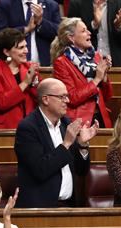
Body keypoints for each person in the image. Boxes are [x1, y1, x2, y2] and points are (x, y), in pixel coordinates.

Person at [14, 78, 98, 208]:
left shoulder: (65, 123)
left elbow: (82, 170)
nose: (67, 101)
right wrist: (66, 144)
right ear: (46, 99)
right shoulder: (28, 128)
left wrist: (82, 144)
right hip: (40, 209)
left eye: (67, 96)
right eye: (62, 97)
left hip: (69, 206)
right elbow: (40, 169)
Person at [51, 17, 113, 128]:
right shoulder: (62, 63)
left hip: (101, 118)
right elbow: (71, 98)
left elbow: (108, 97)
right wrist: (97, 79)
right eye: (83, 31)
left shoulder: (96, 57)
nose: (89, 33)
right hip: (79, 121)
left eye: (88, 30)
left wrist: (104, 76)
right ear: (71, 37)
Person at [0, 28, 39, 129]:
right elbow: (1, 103)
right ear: (6, 52)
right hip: (3, 130)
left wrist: (33, 83)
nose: (26, 51)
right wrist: (25, 83)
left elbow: (39, 98)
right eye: (21, 47)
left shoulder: (29, 67)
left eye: (26, 46)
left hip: (30, 128)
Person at [0, 0, 61, 66]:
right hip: (12, 67)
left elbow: (59, 33)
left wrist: (40, 22)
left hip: (44, 66)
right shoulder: (6, 4)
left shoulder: (51, 5)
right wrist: (26, 29)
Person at [68, 0, 121, 67]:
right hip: (85, 63)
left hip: (116, 63)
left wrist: (118, 26)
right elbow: (72, 35)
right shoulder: (77, 4)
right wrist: (94, 24)